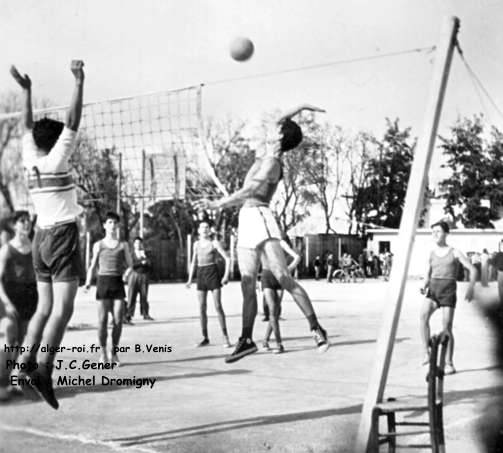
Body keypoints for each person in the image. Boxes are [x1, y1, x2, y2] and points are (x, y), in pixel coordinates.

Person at [196, 103, 329, 363]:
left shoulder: (272, 165)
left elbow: (249, 192)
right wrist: (301, 107)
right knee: (247, 285)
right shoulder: (265, 155)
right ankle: (246, 339)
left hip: (260, 216)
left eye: (277, 128)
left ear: (280, 137)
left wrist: (217, 204)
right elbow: (282, 119)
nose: (272, 127)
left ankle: (316, 328)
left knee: (282, 276)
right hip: (245, 219)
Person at [10, 60, 84, 409]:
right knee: (63, 310)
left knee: (44, 308)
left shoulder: (29, 159)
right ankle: (43, 370)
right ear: (54, 142)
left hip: (40, 238)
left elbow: (25, 125)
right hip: (61, 238)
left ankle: (22, 364)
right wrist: (79, 81)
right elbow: (72, 121)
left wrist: (26, 91)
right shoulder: (57, 159)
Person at [420, 221, 476, 375]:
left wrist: (471, 288)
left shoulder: (455, 252)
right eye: (433, 232)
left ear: (446, 233)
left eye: (438, 231)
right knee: (423, 316)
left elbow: (472, 269)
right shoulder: (431, 253)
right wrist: (424, 284)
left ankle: (449, 363)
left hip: (448, 291)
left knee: (447, 327)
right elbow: (428, 273)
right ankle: (426, 353)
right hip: (433, 289)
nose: (435, 234)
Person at [85, 212, 132, 365]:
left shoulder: (123, 245)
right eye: (110, 222)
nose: (112, 225)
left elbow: (130, 265)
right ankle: (103, 352)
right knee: (102, 321)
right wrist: (87, 282)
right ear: (105, 225)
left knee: (118, 320)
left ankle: (115, 353)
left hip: (117, 282)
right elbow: (92, 265)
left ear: (118, 225)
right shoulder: (98, 245)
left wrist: (126, 273)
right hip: (103, 282)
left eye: (115, 223)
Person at [0, 211, 38, 401]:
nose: (26, 224)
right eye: (22, 221)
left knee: (25, 341)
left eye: (28, 221)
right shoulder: (7, 249)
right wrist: (7, 303)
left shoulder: (34, 247)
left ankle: (17, 379)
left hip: (30, 296)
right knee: (10, 337)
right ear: (14, 225)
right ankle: (3, 381)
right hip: (10, 297)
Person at [186, 221, 232, 347]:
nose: (205, 229)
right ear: (199, 230)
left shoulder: (214, 243)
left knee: (218, 306)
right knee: (201, 307)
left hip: (213, 273)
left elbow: (228, 258)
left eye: (207, 227)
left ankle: (225, 337)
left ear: (209, 230)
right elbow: (193, 262)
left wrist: (226, 275)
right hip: (201, 274)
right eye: (202, 227)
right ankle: (205, 337)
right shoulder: (196, 244)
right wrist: (190, 279)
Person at [262, 239, 300, 353]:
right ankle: (279, 344)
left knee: (275, 312)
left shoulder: (280, 242)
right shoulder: (260, 242)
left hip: (279, 277)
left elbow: (297, 257)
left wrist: (289, 268)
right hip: (266, 277)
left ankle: (265, 340)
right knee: (272, 309)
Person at [126, 237, 153, 322]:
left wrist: (144, 257)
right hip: (134, 275)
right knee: (131, 295)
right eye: (136, 243)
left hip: (144, 275)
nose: (138, 245)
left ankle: (145, 313)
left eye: (139, 243)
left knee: (144, 296)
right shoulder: (131, 254)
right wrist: (140, 263)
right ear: (134, 245)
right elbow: (131, 265)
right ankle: (128, 314)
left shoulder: (146, 253)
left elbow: (150, 264)